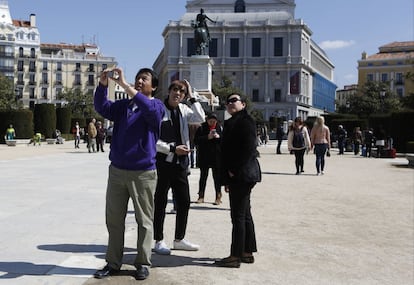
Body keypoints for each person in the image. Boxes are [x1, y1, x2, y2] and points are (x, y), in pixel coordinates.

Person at [93, 67, 164, 281]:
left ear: (154, 86)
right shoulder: (125, 106)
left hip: (143, 172)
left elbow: (150, 110)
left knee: (144, 221)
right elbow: (103, 107)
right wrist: (103, 85)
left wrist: (125, 86)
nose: (139, 81)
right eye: (138, 78)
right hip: (117, 170)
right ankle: (113, 262)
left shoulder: (156, 106)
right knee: (114, 219)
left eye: (145, 79)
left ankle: (142, 262)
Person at [153, 79, 205, 255]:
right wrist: (173, 149)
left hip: (181, 164)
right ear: (169, 91)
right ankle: (158, 240)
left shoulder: (184, 109)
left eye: (182, 92)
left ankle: (179, 239)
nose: (178, 93)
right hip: (163, 163)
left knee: (184, 202)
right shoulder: (159, 110)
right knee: (160, 203)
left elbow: (201, 118)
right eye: (175, 89)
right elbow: (152, 139)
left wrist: (192, 98)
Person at [214, 93, 261, 268]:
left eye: (234, 100)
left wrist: (234, 171)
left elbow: (249, 148)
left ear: (243, 103)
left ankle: (235, 256)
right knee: (245, 214)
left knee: (238, 217)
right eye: (228, 101)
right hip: (242, 174)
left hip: (242, 174)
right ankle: (247, 252)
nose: (230, 103)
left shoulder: (245, 121)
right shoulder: (236, 120)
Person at [194, 112, 223, 205]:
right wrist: (207, 137)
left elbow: (225, 141)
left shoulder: (220, 128)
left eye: (214, 121)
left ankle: (218, 196)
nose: (212, 123)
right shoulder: (201, 127)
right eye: (210, 121)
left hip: (217, 157)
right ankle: (201, 196)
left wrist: (219, 138)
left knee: (217, 178)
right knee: (203, 177)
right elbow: (196, 140)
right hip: (204, 156)